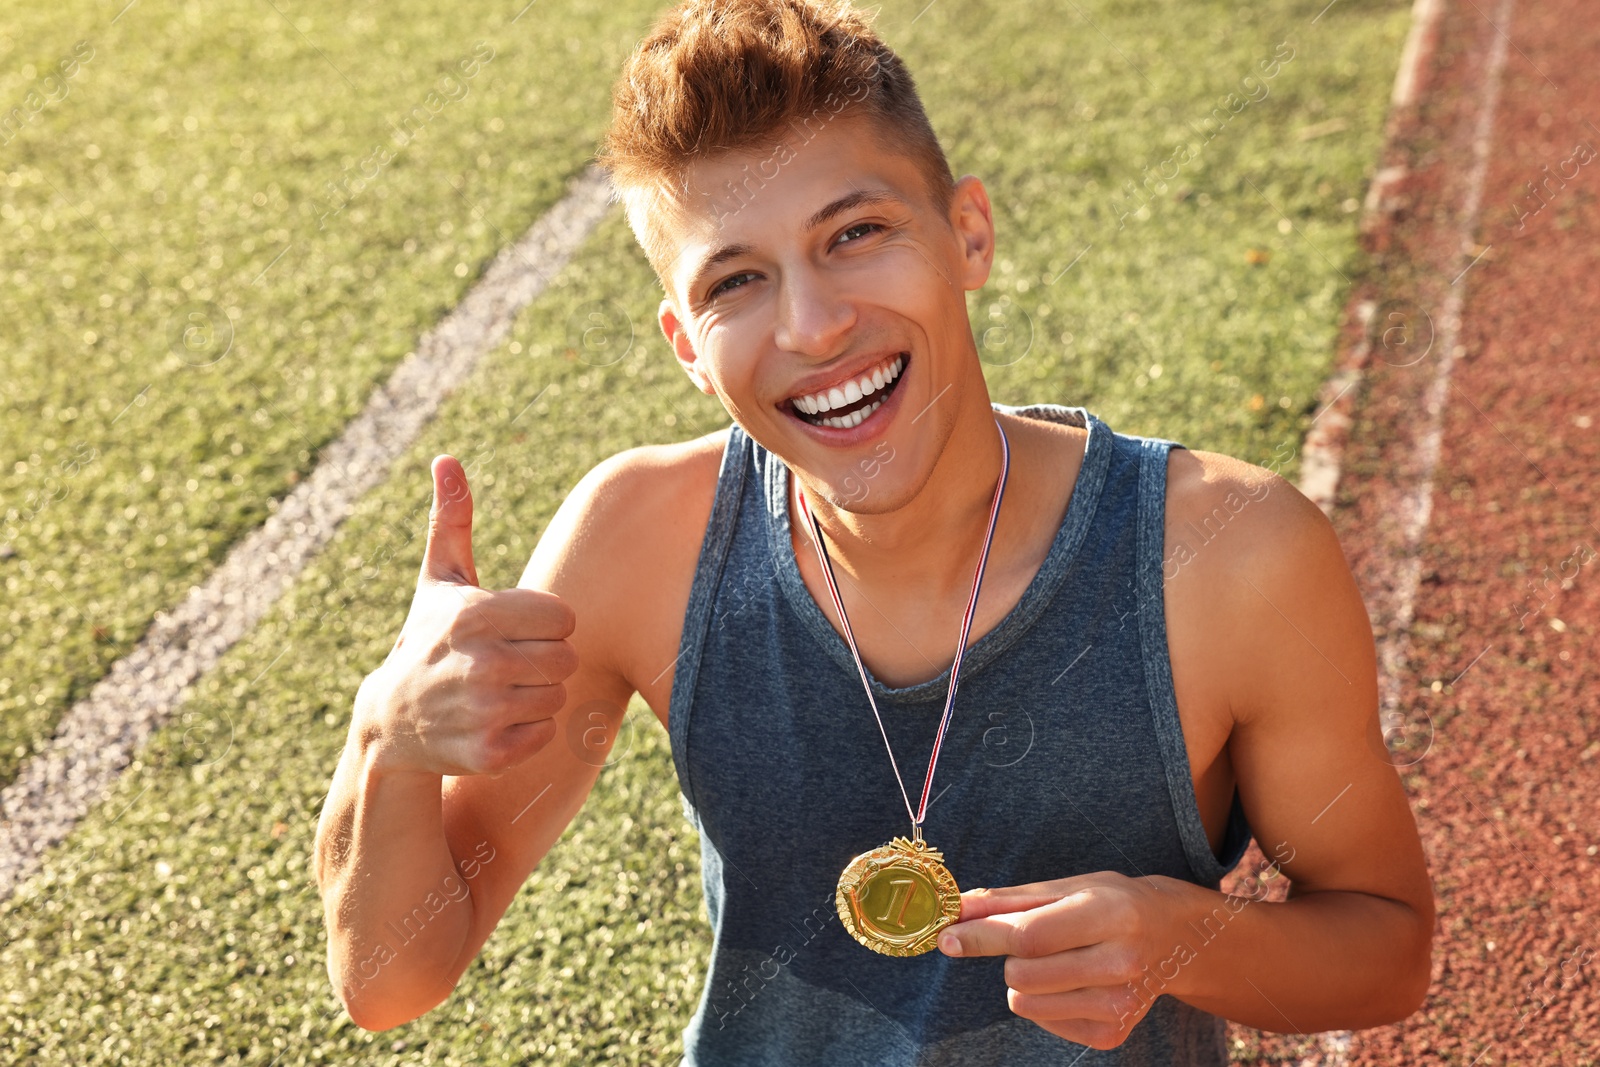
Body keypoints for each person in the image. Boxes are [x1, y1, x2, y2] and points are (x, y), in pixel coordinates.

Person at [313, 0, 1435, 1062]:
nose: (812, 324)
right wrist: (385, 735)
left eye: (854, 233)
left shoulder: (1230, 555)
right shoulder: (637, 543)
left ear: (969, 234)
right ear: (687, 348)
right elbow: (392, 978)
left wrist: (1184, 936)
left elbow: (1386, 943)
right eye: (737, 280)